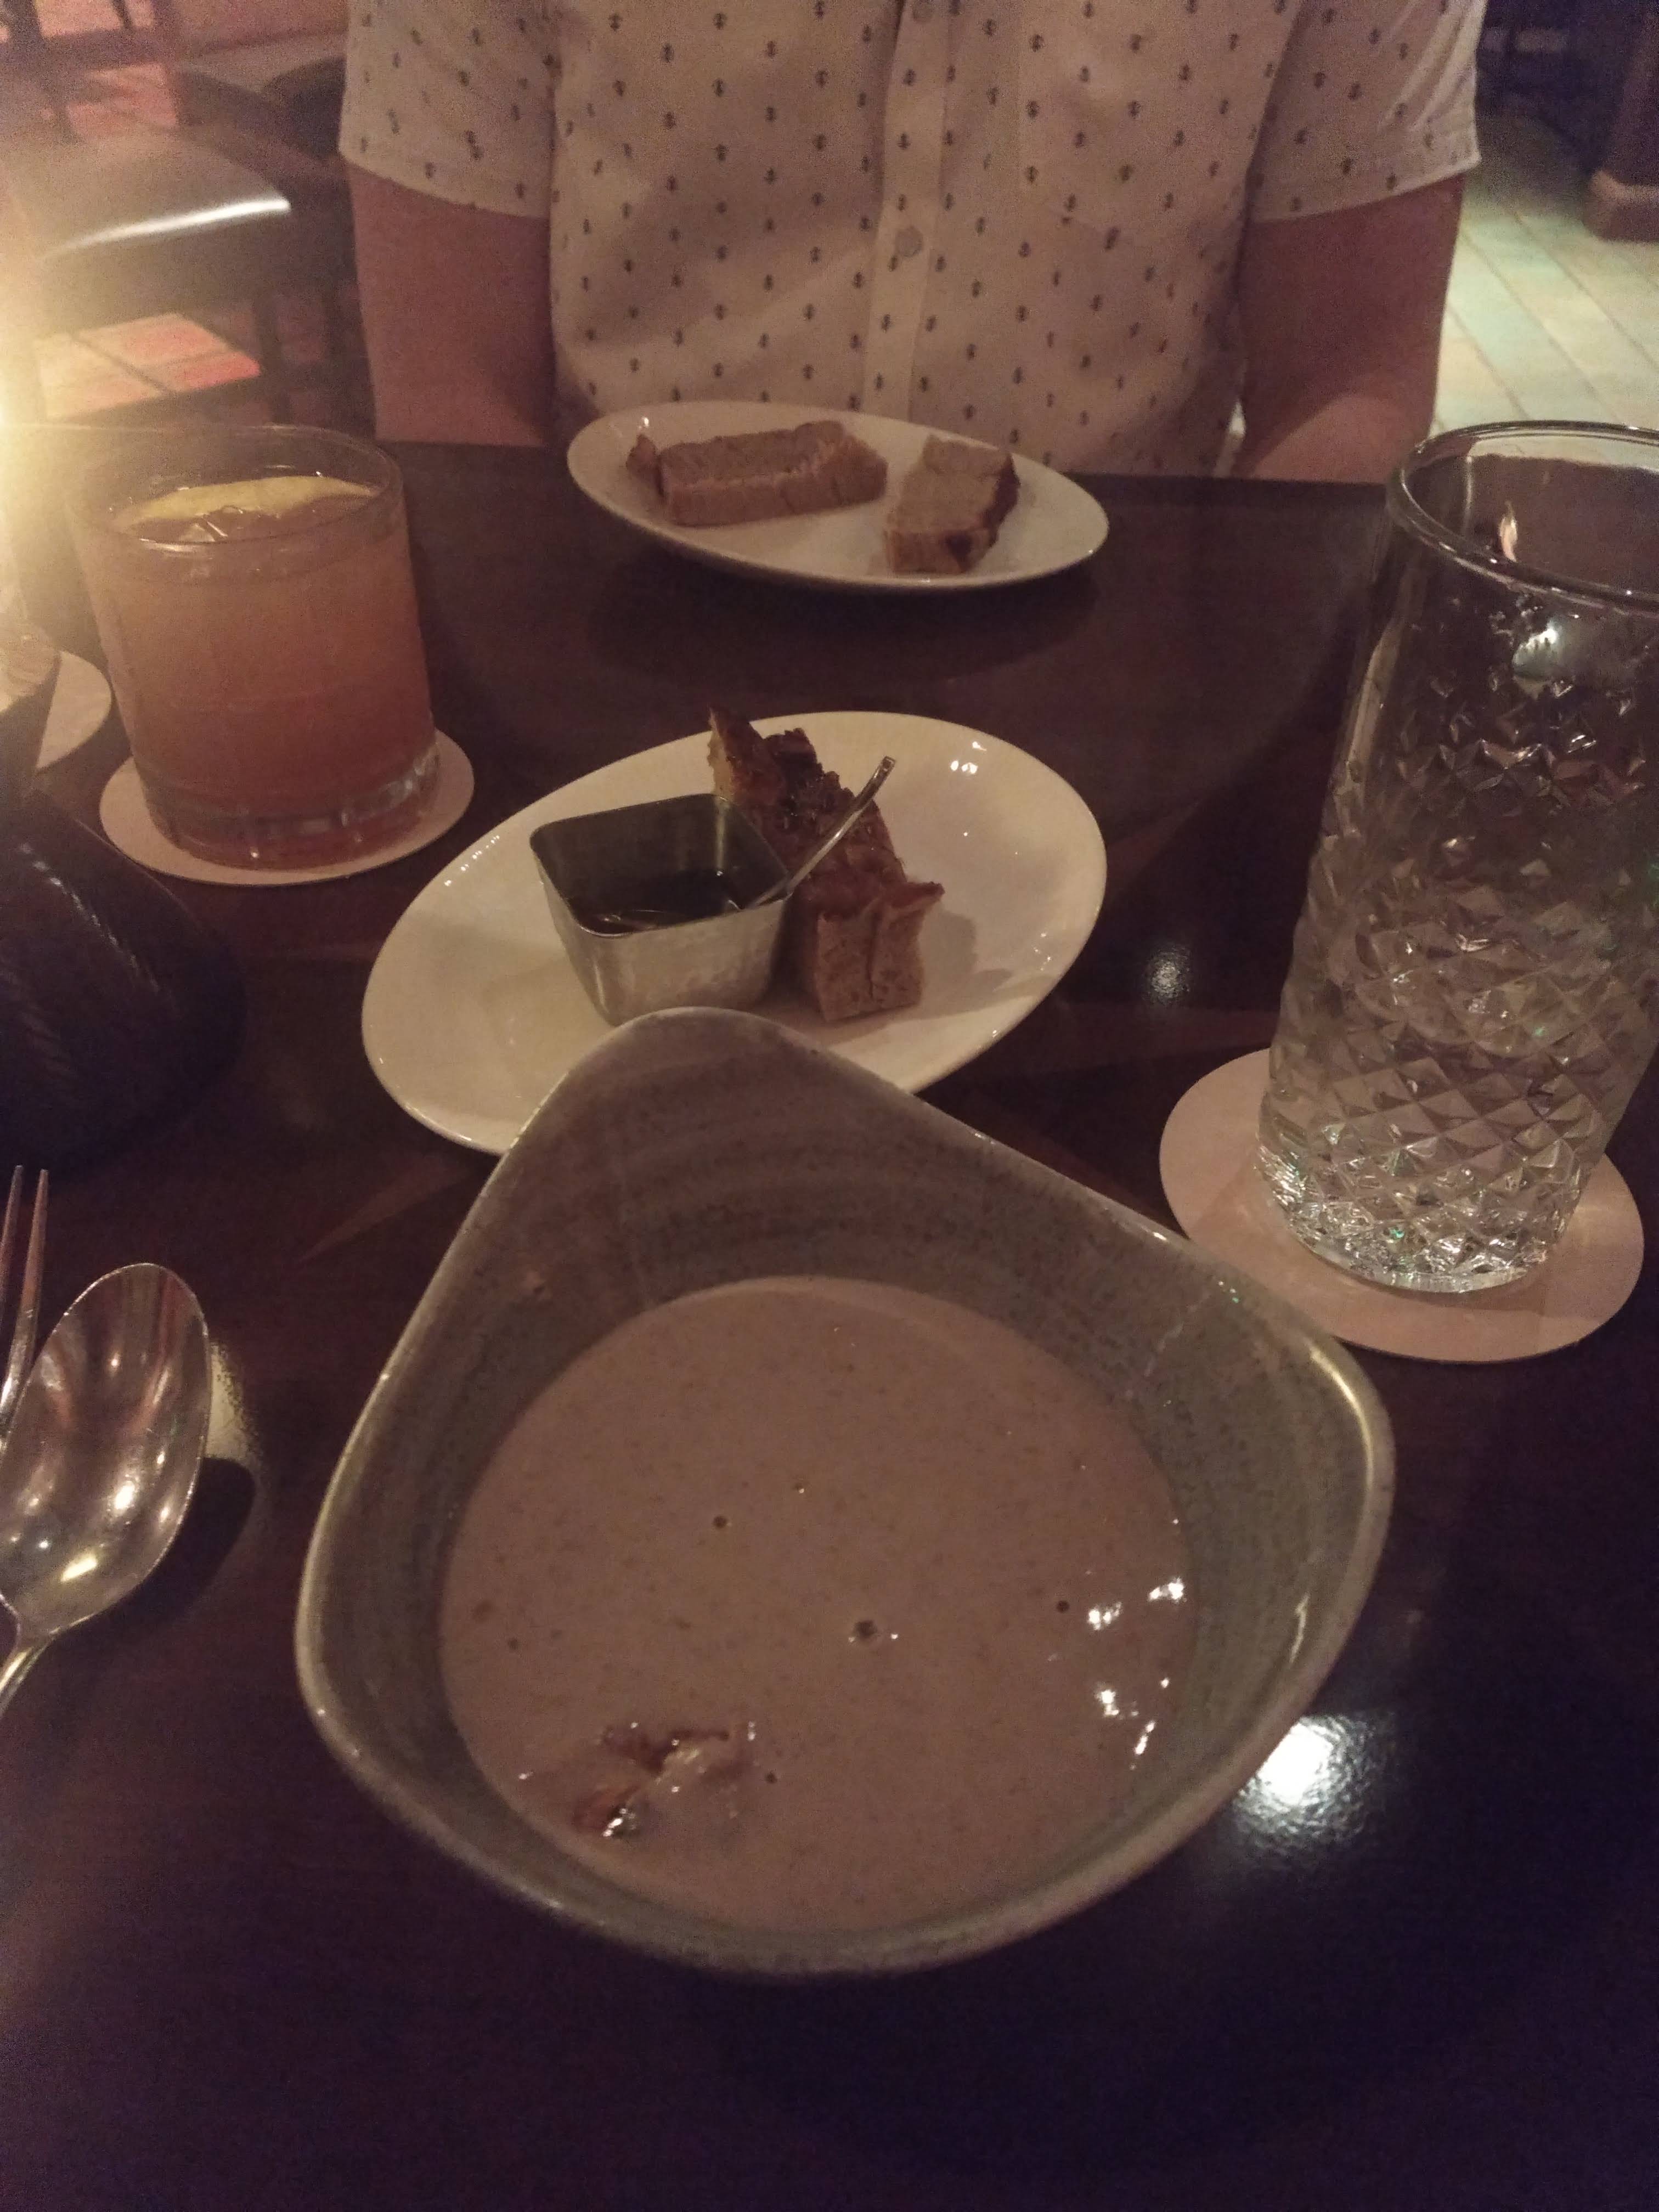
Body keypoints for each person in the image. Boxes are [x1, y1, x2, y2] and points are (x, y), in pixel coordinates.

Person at [340, 1, 1482, 481]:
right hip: (611, 616)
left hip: (1126, 670)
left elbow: (1348, 384)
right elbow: (451, 384)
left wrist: (1212, 756)